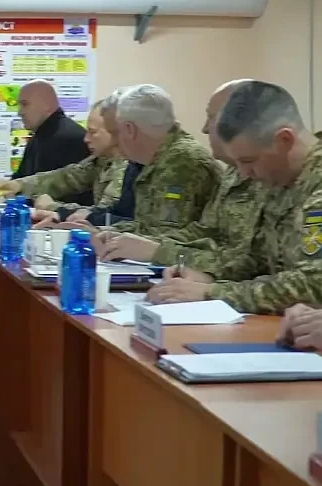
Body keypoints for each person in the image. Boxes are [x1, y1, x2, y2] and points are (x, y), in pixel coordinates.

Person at [147, 81, 322, 313]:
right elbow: (257, 260)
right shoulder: (279, 179)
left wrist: (213, 293)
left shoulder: (314, 182)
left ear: (284, 140)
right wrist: (207, 277)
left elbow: (313, 285)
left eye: (248, 161)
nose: (244, 174)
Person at [97, 80, 267, 277]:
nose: (204, 129)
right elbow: (203, 233)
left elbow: (249, 264)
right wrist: (123, 238)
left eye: (212, 118)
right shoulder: (233, 173)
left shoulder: (184, 162)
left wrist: (157, 251)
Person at [86, 84, 219, 237]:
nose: (113, 142)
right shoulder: (154, 160)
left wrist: (107, 234)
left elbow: (166, 235)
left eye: (115, 133)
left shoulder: (182, 163)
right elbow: (146, 227)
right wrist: (103, 232)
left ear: (130, 129)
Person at [0, 98, 127, 222]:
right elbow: (67, 177)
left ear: (115, 132)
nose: (86, 139)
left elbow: (103, 216)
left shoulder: (126, 167)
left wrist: (53, 207)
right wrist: (18, 185)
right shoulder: (102, 160)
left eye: (93, 132)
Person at [0, 80, 92, 205]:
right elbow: (21, 178)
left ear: (47, 105)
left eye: (25, 104)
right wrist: (9, 188)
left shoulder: (68, 138)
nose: (19, 112)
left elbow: (70, 193)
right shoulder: (40, 135)